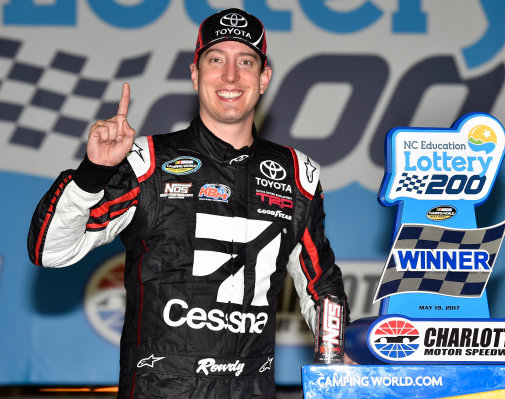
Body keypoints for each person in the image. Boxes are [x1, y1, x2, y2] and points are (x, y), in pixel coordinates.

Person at [27, 8, 347, 399]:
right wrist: (93, 171)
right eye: (216, 60)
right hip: (158, 389)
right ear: (195, 74)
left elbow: (321, 285)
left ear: (263, 79)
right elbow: (50, 251)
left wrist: (337, 353)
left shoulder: (299, 174)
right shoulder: (147, 162)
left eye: (245, 62)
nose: (231, 76)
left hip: (251, 390)